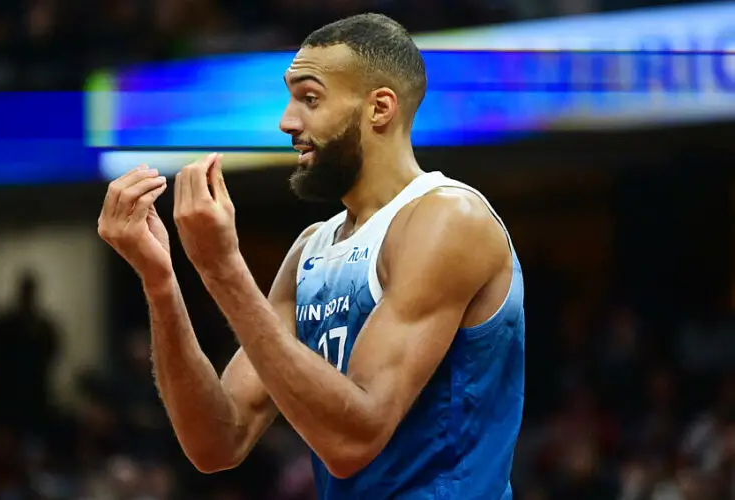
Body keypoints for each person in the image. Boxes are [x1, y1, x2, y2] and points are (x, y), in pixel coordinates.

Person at [98, 13, 525, 500]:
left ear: (379, 108)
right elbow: (216, 441)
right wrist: (161, 281)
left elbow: (353, 440)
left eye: (310, 98)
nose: (287, 121)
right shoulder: (312, 248)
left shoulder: (448, 217)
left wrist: (222, 269)